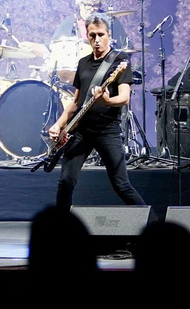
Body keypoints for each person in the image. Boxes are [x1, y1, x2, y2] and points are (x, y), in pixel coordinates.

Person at [45, 15, 146, 212]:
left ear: (109, 35)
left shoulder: (120, 60)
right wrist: (58, 124)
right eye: (92, 35)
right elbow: (75, 103)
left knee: (121, 185)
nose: (97, 39)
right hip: (82, 131)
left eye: (101, 34)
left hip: (107, 130)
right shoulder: (83, 63)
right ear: (87, 37)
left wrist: (107, 100)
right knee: (66, 181)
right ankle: (60, 230)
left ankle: (152, 228)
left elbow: (124, 97)